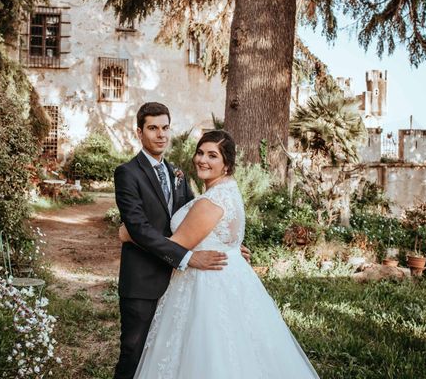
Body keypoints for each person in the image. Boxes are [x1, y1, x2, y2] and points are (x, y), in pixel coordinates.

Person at [119, 130, 320, 379]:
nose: (202, 160)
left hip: (204, 285)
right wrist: (233, 249)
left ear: (227, 165)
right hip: (230, 277)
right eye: (201, 152)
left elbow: (174, 246)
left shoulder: (211, 202)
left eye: (212, 155)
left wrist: (130, 236)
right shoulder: (229, 191)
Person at [113, 102, 235, 379]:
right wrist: (188, 257)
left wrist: (226, 245)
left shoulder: (177, 173)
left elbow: (194, 215)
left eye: (165, 127)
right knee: (133, 354)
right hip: (142, 281)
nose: (161, 135)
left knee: (163, 355)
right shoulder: (127, 173)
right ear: (139, 132)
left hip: (179, 283)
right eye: (153, 128)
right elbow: (139, 228)